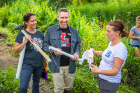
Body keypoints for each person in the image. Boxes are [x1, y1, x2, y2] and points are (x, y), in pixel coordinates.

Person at [43, 8, 81, 93]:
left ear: (69, 17)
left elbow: (78, 44)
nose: (64, 20)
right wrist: (53, 51)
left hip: (70, 65)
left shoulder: (74, 31)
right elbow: (45, 45)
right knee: (59, 90)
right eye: (62, 17)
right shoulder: (50, 30)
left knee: (68, 88)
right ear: (58, 17)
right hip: (56, 65)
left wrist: (77, 53)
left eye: (66, 18)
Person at [89, 20, 128, 93]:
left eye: (109, 31)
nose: (106, 33)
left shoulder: (120, 49)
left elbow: (115, 71)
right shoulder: (111, 42)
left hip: (110, 83)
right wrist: (95, 52)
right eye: (106, 31)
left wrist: (99, 71)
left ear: (117, 32)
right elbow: (107, 54)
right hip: (102, 78)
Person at [14, 12, 46, 93]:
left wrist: (44, 60)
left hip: (39, 63)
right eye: (32, 21)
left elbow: (43, 48)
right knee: (23, 87)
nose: (35, 22)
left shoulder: (40, 33)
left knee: (36, 84)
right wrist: (25, 41)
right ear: (26, 22)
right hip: (28, 63)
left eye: (35, 20)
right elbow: (16, 51)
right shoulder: (21, 34)